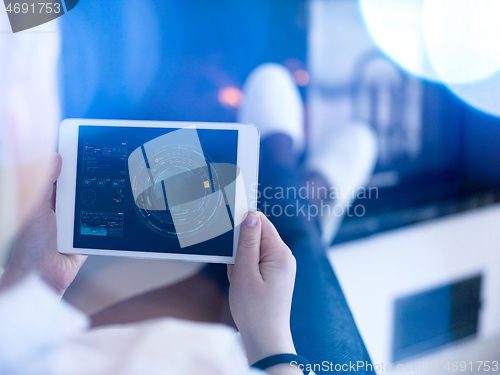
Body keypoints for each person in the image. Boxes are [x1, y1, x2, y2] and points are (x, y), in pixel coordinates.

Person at [0, 16, 377, 375]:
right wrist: (270, 341)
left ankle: (290, 190)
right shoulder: (186, 358)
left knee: (235, 254)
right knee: (294, 242)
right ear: (16, 119)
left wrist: (33, 281)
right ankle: (289, 176)